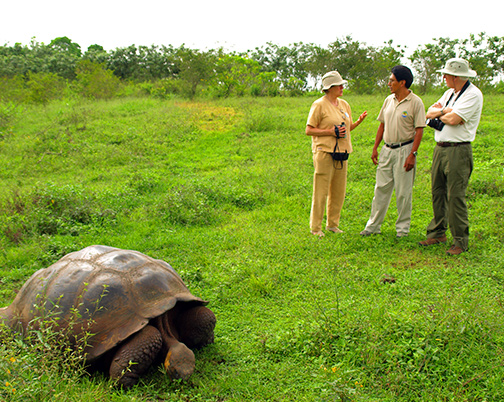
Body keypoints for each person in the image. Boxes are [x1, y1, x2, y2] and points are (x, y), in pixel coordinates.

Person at [419, 58, 483, 255]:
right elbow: (429, 112)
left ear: (456, 76)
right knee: (437, 191)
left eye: (446, 74)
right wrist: (444, 112)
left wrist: (442, 114)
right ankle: (438, 232)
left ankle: (460, 240)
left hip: (458, 150)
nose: (443, 77)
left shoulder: (473, 95)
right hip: (441, 147)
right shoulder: (449, 93)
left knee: (455, 195)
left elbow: (454, 119)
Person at [360, 65, 426, 238]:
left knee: (404, 192)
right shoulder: (388, 100)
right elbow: (382, 124)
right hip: (387, 150)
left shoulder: (416, 102)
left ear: (402, 82)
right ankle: (373, 226)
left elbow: (419, 130)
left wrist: (413, 154)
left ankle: (402, 230)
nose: (388, 83)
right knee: (380, 188)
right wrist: (375, 147)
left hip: (405, 149)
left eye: (392, 80)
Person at [306, 71, 368, 237]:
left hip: (342, 152)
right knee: (321, 190)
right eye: (339, 85)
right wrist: (330, 132)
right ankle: (316, 228)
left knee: (339, 191)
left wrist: (357, 123)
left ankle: (333, 224)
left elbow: (346, 129)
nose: (342, 87)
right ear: (330, 87)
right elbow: (309, 130)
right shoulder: (319, 105)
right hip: (324, 152)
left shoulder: (344, 104)